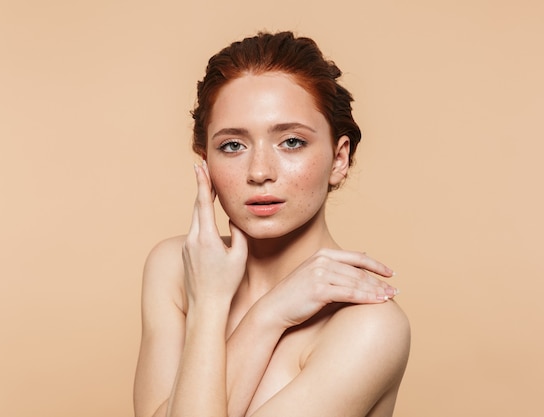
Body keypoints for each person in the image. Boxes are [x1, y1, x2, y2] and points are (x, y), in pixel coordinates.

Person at [133, 31, 410, 417]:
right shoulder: (174, 269)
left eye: (292, 142)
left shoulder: (369, 326)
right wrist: (260, 314)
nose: (260, 172)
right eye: (233, 145)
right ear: (206, 162)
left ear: (339, 158)